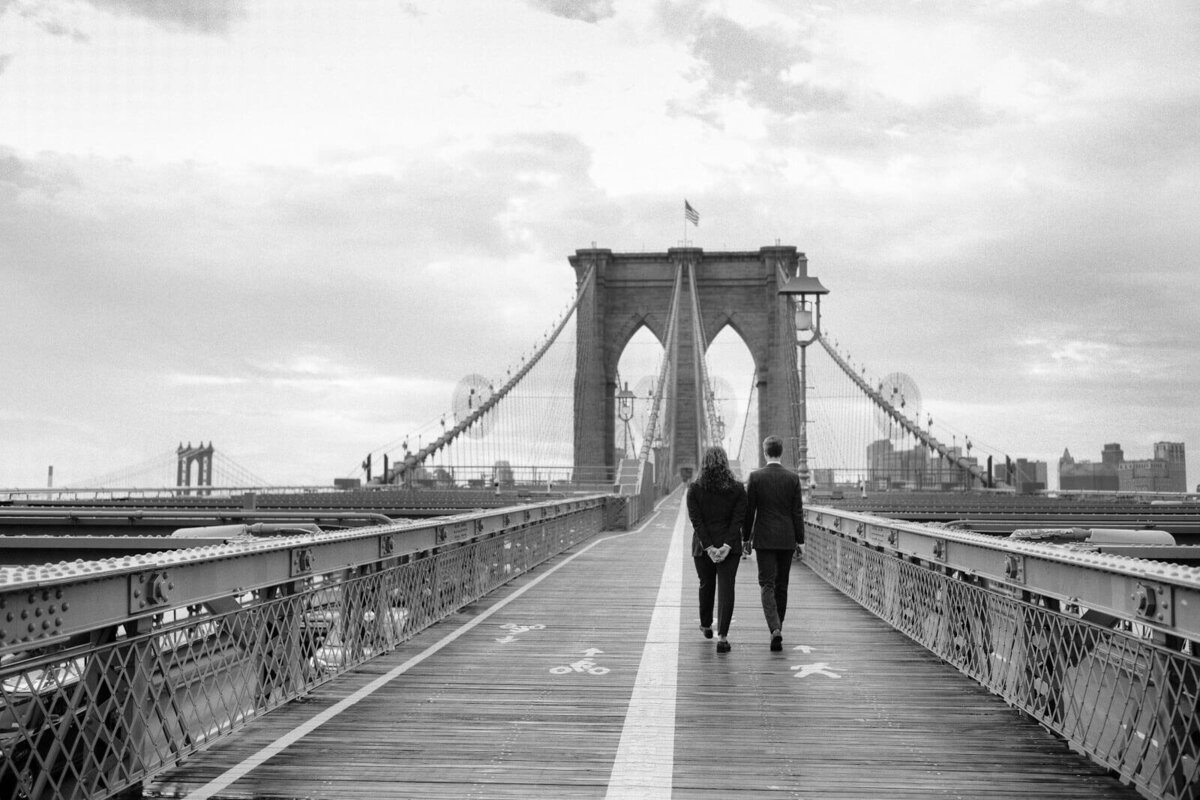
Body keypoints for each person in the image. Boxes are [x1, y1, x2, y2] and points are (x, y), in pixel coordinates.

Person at [743, 435, 804, 652]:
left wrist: (745, 538)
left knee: (766, 584)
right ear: (781, 452)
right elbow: (797, 512)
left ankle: (774, 628)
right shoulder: (793, 478)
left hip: (764, 539)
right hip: (787, 538)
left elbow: (749, 511)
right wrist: (801, 540)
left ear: (765, 452)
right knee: (782, 584)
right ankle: (779, 627)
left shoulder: (756, 477)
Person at [686, 445, 747, 654]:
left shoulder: (694, 489)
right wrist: (727, 546)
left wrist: (710, 547)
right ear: (726, 463)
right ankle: (723, 636)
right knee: (726, 587)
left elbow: (696, 521)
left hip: (703, 548)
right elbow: (738, 519)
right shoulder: (738, 488)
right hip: (730, 548)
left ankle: (705, 624)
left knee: (706, 584)